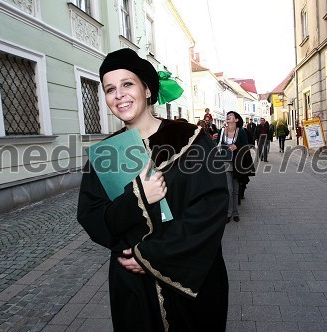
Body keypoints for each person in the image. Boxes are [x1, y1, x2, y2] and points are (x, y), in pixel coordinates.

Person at [77, 48, 229, 332]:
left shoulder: (191, 141)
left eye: (127, 84)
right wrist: (139, 197)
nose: (118, 94)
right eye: (110, 89)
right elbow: (93, 217)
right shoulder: (106, 154)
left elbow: (211, 210)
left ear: (147, 90)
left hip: (189, 284)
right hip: (133, 289)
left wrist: (148, 257)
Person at [217, 111, 253, 222]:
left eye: (231, 115)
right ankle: (229, 213)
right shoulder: (222, 131)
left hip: (237, 163)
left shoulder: (241, 131)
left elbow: (246, 146)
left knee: (236, 190)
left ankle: (235, 212)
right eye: (227, 115)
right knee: (229, 189)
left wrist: (236, 145)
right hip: (225, 162)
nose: (228, 116)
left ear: (236, 120)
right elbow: (216, 144)